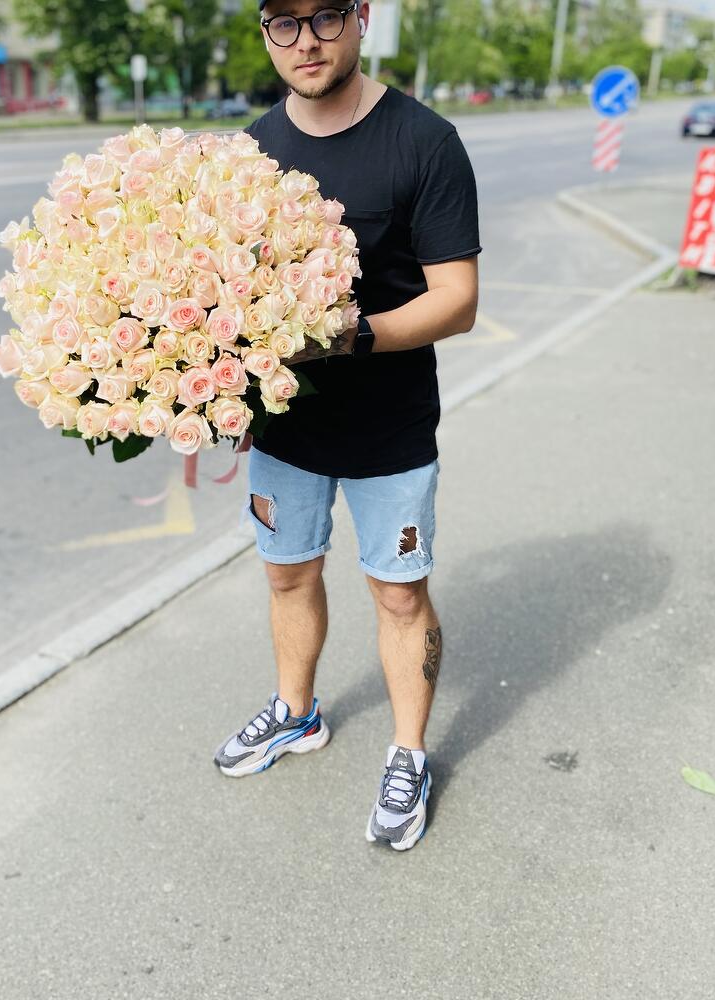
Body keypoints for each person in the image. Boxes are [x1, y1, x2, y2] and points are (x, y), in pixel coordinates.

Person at [213, 0, 481, 852]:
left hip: (389, 429)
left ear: (361, 16)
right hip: (286, 431)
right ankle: (297, 713)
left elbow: (457, 301)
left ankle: (409, 753)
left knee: (399, 594)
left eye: (325, 16)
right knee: (288, 576)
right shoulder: (249, 154)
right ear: (264, 31)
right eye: (282, 22)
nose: (306, 41)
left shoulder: (425, 142)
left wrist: (350, 336)